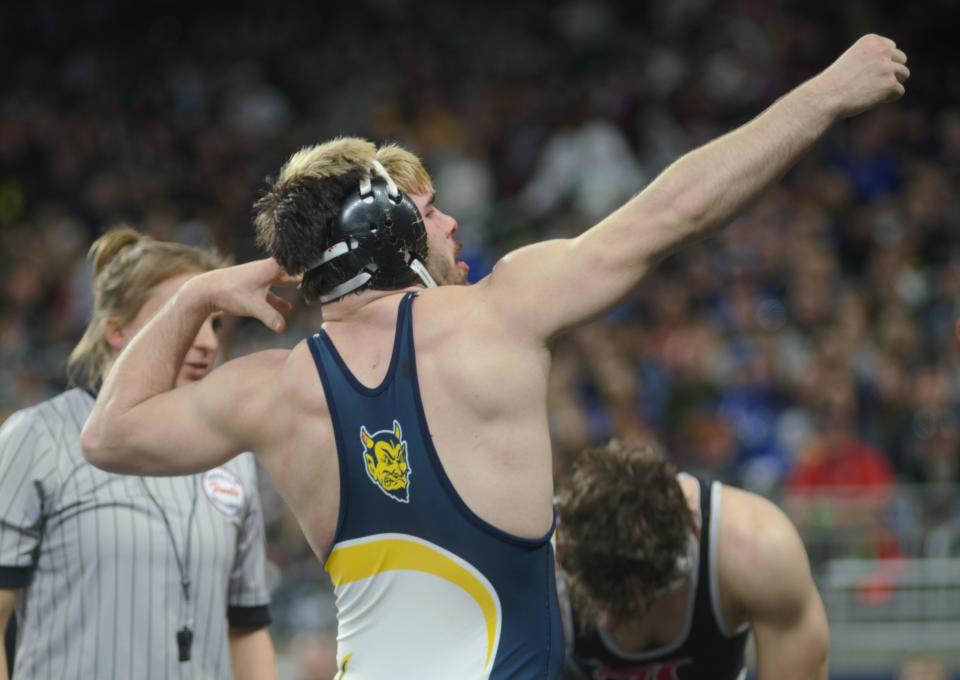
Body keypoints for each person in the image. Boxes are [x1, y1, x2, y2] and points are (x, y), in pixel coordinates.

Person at [81, 34, 908, 679]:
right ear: (391, 233)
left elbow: (108, 436)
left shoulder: (268, 391)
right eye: (428, 212)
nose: (449, 227)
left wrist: (196, 295)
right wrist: (828, 95)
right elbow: (677, 212)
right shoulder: (502, 314)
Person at [0, 228, 276, 680]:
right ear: (116, 331)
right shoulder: (38, 437)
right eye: (185, 317)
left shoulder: (232, 456)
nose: (208, 341)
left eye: (214, 322)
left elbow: (246, 629)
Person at [555, 440, 828, 680]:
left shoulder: (757, 549)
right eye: (598, 600)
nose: (606, 623)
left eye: (632, 606)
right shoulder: (541, 567)